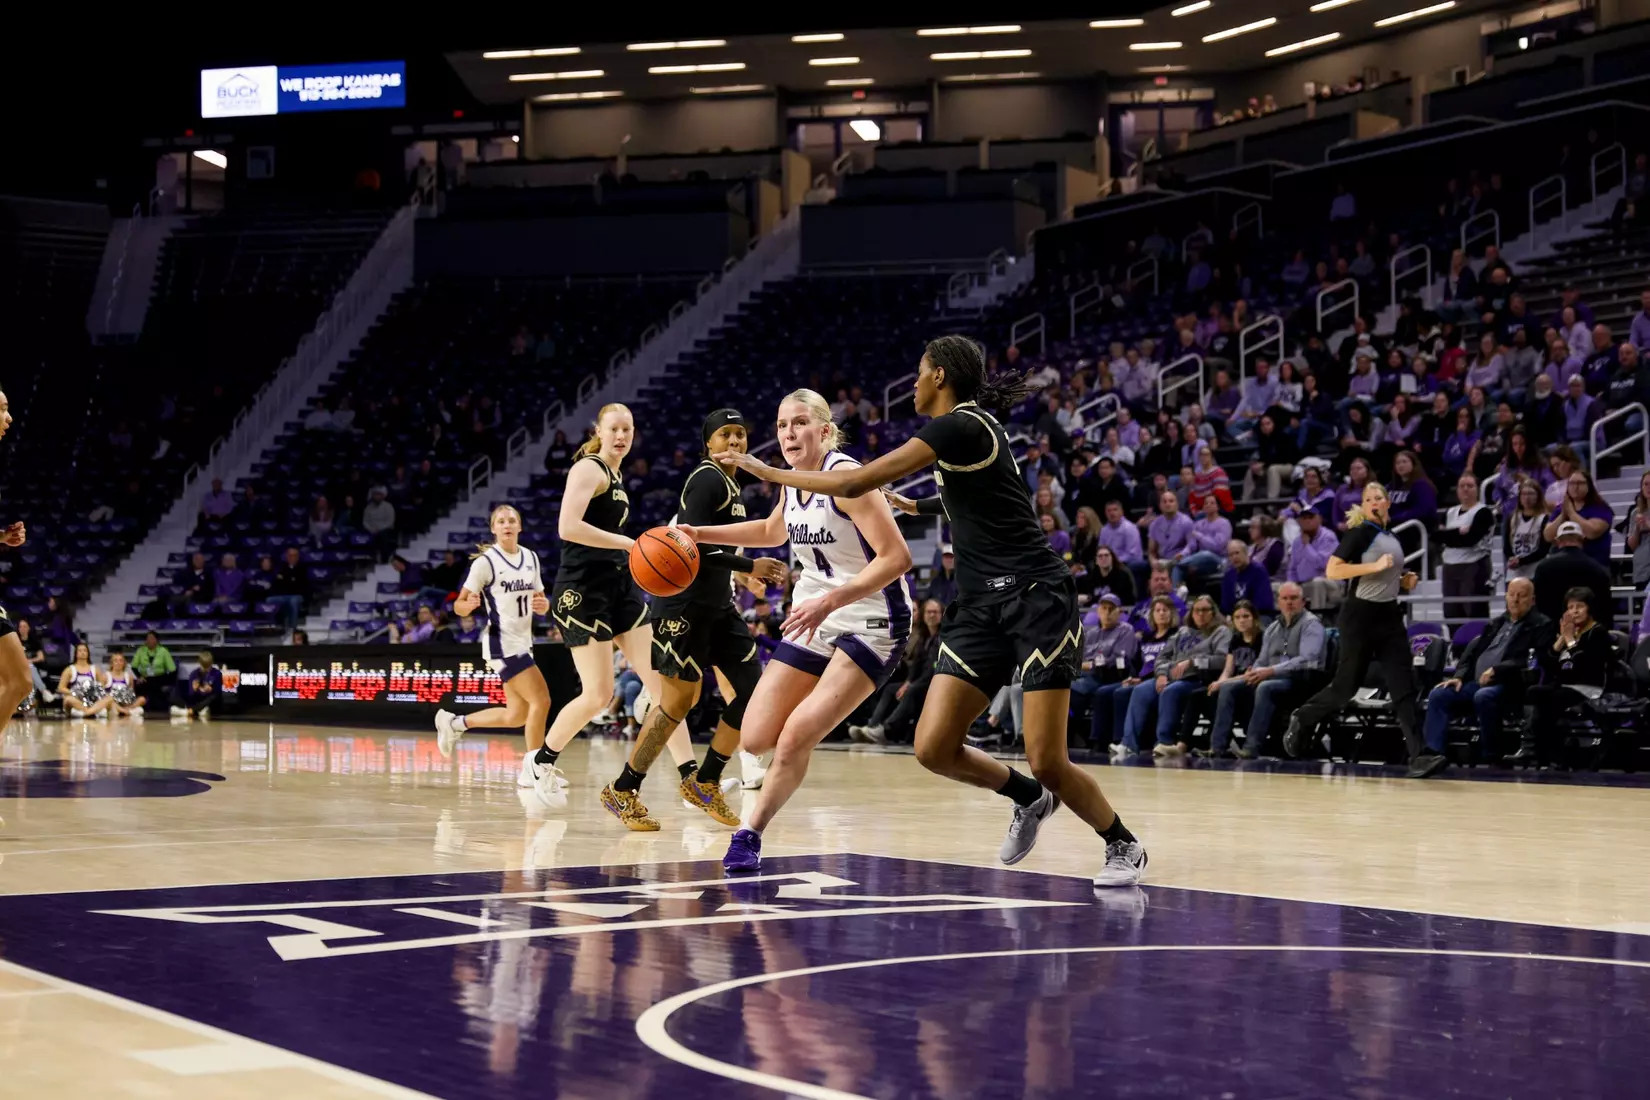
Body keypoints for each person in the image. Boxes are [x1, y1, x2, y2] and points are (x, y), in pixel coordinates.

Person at [718, 335, 1148, 885]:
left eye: (921, 373)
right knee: (933, 746)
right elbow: (977, 494)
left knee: (1047, 757)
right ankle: (1028, 799)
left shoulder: (959, 425)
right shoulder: (962, 437)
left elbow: (852, 480)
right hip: (979, 605)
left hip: (1035, 599)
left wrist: (768, 472)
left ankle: (1121, 844)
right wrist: (916, 503)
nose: (914, 382)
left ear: (940, 377)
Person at [677, 390, 914, 871]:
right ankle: (787, 765)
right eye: (782, 425)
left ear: (825, 430)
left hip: (871, 618)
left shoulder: (850, 479)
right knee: (757, 737)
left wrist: (830, 600)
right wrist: (700, 534)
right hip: (815, 615)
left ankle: (749, 834)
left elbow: (898, 558)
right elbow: (772, 531)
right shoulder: (793, 483)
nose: (788, 433)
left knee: (794, 738)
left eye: (800, 423)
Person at [599, 409, 787, 832]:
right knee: (678, 702)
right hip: (683, 609)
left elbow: (715, 544)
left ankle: (705, 781)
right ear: (709, 444)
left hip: (717, 607)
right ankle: (623, 789)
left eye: (741, 435)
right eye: (726, 435)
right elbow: (689, 544)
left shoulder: (730, 485)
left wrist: (739, 572)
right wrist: (748, 564)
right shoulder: (706, 478)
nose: (735, 442)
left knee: (754, 694)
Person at [512, 404, 697, 807]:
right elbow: (567, 527)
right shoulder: (589, 468)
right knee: (598, 694)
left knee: (666, 686)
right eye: (614, 428)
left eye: (627, 429)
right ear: (599, 430)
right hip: (582, 590)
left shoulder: (616, 475)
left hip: (618, 588)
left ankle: (691, 778)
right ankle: (539, 763)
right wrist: (631, 543)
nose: (621, 436)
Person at [1284, 481, 1423, 764]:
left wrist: (1402, 581)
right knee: (1344, 689)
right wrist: (1374, 566)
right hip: (1360, 617)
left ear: (1387, 503)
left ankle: (1420, 755)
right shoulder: (1360, 533)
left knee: (1403, 685)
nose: (1373, 501)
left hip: (1389, 617)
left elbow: (1385, 576)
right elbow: (1333, 569)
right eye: (1368, 498)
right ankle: (1303, 716)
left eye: (1378, 497)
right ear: (1364, 504)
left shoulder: (1392, 536)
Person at [432, 506, 555, 781]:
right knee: (542, 700)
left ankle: (454, 723)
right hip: (502, 643)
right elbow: (458, 606)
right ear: (493, 529)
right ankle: (535, 771)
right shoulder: (485, 563)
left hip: (524, 642)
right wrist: (469, 605)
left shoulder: (531, 558)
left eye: (512, 520)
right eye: (501, 521)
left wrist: (544, 605)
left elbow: (542, 603)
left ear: (520, 526)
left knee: (516, 716)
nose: (507, 524)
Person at [1419, 577, 1549, 771]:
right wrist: (1459, 677)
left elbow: (1533, 659)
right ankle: (1433, 754)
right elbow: (1471, 653)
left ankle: (1493, 756)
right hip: (1476, 682)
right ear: (1505, 597)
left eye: (1521, 596)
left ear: (1532, 600)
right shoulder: (1495, 624)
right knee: (1439, 694)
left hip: (1512, 685)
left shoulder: (1541, 625)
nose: (1515, 600)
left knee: (1484, 696)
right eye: (1512, 595)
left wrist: (1498, 670)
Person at [1213, 582, 1326, 758]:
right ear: (1278, 602)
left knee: (1265, 687)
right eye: (1285, 598)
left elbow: (1307, 659)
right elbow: (1262, 660)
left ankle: (1251, 748)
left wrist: (1270, 671)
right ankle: (1217, 748)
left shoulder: (1311, 624)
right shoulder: (1273, 628)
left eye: (1294, 598)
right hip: (1272, 677)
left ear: (1303, 602)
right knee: (1229, 687)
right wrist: (1255, 671)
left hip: (1302, 679)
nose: (1289, 602)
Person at [1506, 587, 1611, 767]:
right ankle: (1533, 748)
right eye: (1570, 607)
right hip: (1564, 686)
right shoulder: (1569, 632)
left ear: (1590, 608)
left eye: (1580, 606)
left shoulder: (1598, 632)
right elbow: (1547, 664)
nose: (1574, 611)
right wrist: (1560, 641)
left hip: (1588, 687)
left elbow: (1584, 667)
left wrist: (1569, 640)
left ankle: (1547, 752)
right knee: (1534, 692)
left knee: (1551, 698)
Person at [1146, 595, 1230, 758]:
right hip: (1171, 676)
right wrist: (1162, 674)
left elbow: (1221, 660)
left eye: (1205, 610)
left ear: (1213, 612)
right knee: (1138, 691)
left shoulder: (1221, 631)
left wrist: (1193, 662)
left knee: (1171, 692)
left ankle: (1164, 742)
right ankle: (1128, 743)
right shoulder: (1182, 631)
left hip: (1199, 679)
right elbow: (1162, 657)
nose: (1200, 614)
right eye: (1196, 610)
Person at [852, 599, 944, 744]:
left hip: (934, 682)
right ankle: (871, 728)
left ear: (941, 615)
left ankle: (887, 730)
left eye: (935, 612)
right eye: (928, 612)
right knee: (890, 688)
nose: (931, 615)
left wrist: (910, 685)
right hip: (919, 681)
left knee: (912, 691)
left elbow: (932, 670)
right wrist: (907, 682)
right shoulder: (925, 637)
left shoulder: (942, 637)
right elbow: (917, 666)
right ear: (924, 614)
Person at [1188, 600, 1265, 758]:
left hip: (1252, 681)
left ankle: (1217, 747)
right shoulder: (1235, 640)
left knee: (1225, 688)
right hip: (1233, 682)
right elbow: (1228, 669)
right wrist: (1219, 681)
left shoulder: (1262, 638)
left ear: (1254, 618)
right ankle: (1220, 740)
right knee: (1202, 694)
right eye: (1237, 617)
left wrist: (1223, 683)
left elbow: (1253, 672)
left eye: (1246, 616)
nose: (1242, 620)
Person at [1110, 595, 1180, 758]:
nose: (1161, 613)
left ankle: (1129, 745)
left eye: (1165, 610)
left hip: (1164, 677)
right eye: (1157, 610)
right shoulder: (1146, 637)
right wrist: (1133, 677)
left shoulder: (1176, 635)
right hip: (1145, 679)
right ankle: (1119, 739)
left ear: (1172, 614)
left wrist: (1144, 679)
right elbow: (1137, 663)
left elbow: (1174, 660)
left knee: (1139, 691)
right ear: (1152, 614)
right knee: (1120, 692)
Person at [1071, 593, 1139, 747]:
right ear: (1098, 611)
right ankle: (1076, 735)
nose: (1107, 612)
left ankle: (1079, 736)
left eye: (1111, 609)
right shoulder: (1091, 633)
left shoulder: (1125, 630)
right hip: (1083, 674)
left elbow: (1120, 659)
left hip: (1107, 676)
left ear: (1119, 612)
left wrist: (1091, 664)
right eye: (1104, 608)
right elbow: (1076, 659)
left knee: (1067, 690)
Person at [1532, 521, 1615, 629]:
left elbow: (1537, 604)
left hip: (1550, 633)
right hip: (1588, 636)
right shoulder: (1597, 568)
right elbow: (1605, 609)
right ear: (1583, 539)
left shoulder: (1543, 567)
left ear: (1557, 541)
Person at [1439, 473, 1495, 622]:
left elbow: (1471, 540)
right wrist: (1458, 532)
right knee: (1451, 612)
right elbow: (1436, 536)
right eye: (1462, 486)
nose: (1465, 489)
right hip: (1449, 565)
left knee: (1474, 610)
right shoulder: (1449, 512)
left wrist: (1448, 535)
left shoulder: (1483, 512)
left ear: (1477, 489)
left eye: (1470, 486)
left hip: (1474, 564)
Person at [1543, 468, 1614, 571]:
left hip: (1594, 566)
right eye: (1571, 483)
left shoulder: (1601, 508)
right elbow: (1548, 535)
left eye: (1580, 483)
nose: (1575, 487)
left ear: (1589, 486)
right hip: (1564, 566)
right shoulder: (1560, 509)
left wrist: (1571, 513)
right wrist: (1563, 515)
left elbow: (1592, 532)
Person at [1288, 506, 1342, 613]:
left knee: (1318, 583)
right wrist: (1291, 584)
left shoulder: (1328, 537)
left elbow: (1322, 563)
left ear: (1319, 519)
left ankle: (1318, 620)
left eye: (1310, 517)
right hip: (1305, 585)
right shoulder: (1297, 542)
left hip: (1331, 585)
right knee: (1277, 588)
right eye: (1304, 518)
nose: (1307, 521)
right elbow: (1292, 569)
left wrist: (1307, 545)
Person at [1503, 479, 1552, 585]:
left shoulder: (1544, 518)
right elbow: (1507, 545)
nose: (1527, 498)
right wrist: (1512, 559)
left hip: (1535, 571)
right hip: (1514, 574)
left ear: (1538, 496)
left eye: (1531, 494)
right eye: (1524, 494)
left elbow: (1543, 549)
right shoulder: (1512, 518)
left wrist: (1522, 561)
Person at [1220, 539, 1275, 615]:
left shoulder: (1258, 571)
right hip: (1236, 617)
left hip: (1258, 615)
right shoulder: (1229, 574)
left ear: (1246, 553)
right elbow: (1226, 605)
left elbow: (1262, 604)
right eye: (1231, 555)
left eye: (1237, 553)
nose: (1234, 557)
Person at [59, 642, 112, 719]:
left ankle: (87, 712)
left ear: (88, 653)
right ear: (76, 654)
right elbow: (61, 688)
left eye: (85, 650)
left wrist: (93, 694)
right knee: (68, 699)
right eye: (80, 651)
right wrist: (77, 693)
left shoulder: (95, 669)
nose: (82, 653)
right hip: (77, 700)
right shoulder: (69, 669)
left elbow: (102, 687)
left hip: (92, 700)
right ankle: (91, 712)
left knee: (109, 699)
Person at [13, 620, 57, 704]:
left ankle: (31, 703)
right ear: (18, 629)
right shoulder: (14, 642)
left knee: (30, 669)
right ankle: (44, 691)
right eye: (21, 627)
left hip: (31, 668)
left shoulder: (34, 641)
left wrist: (29, 661)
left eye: (25, 626)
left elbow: (41, 657)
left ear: (29, 628)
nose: (23, 629)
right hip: (17, 668)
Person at [171, 650, 222, 719]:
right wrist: (195, 689)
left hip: (209, 701)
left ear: (212, 663)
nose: (206, 669)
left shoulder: (217, 673)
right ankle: (194, 711)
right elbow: (191, 694)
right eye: (204, 666)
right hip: (197, 701)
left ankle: (190, 711)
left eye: (208, 666)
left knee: (213, 697)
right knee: (173, 696)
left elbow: (218, 692)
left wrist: (211, 689)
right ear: (200, 664)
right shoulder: (194, 674)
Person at [104, 652, 147, 719]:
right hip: (112, 703)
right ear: (111, 663)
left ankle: (126, 710)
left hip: (125, 703)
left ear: (124, 663)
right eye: (116, 660)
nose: (118, 663)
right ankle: (125, 712)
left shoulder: (129, 677)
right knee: (108, 700)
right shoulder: (106, 676)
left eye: (121, 660)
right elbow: (102, 694)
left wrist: (130, 704)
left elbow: (132, 694)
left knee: (142, 699)